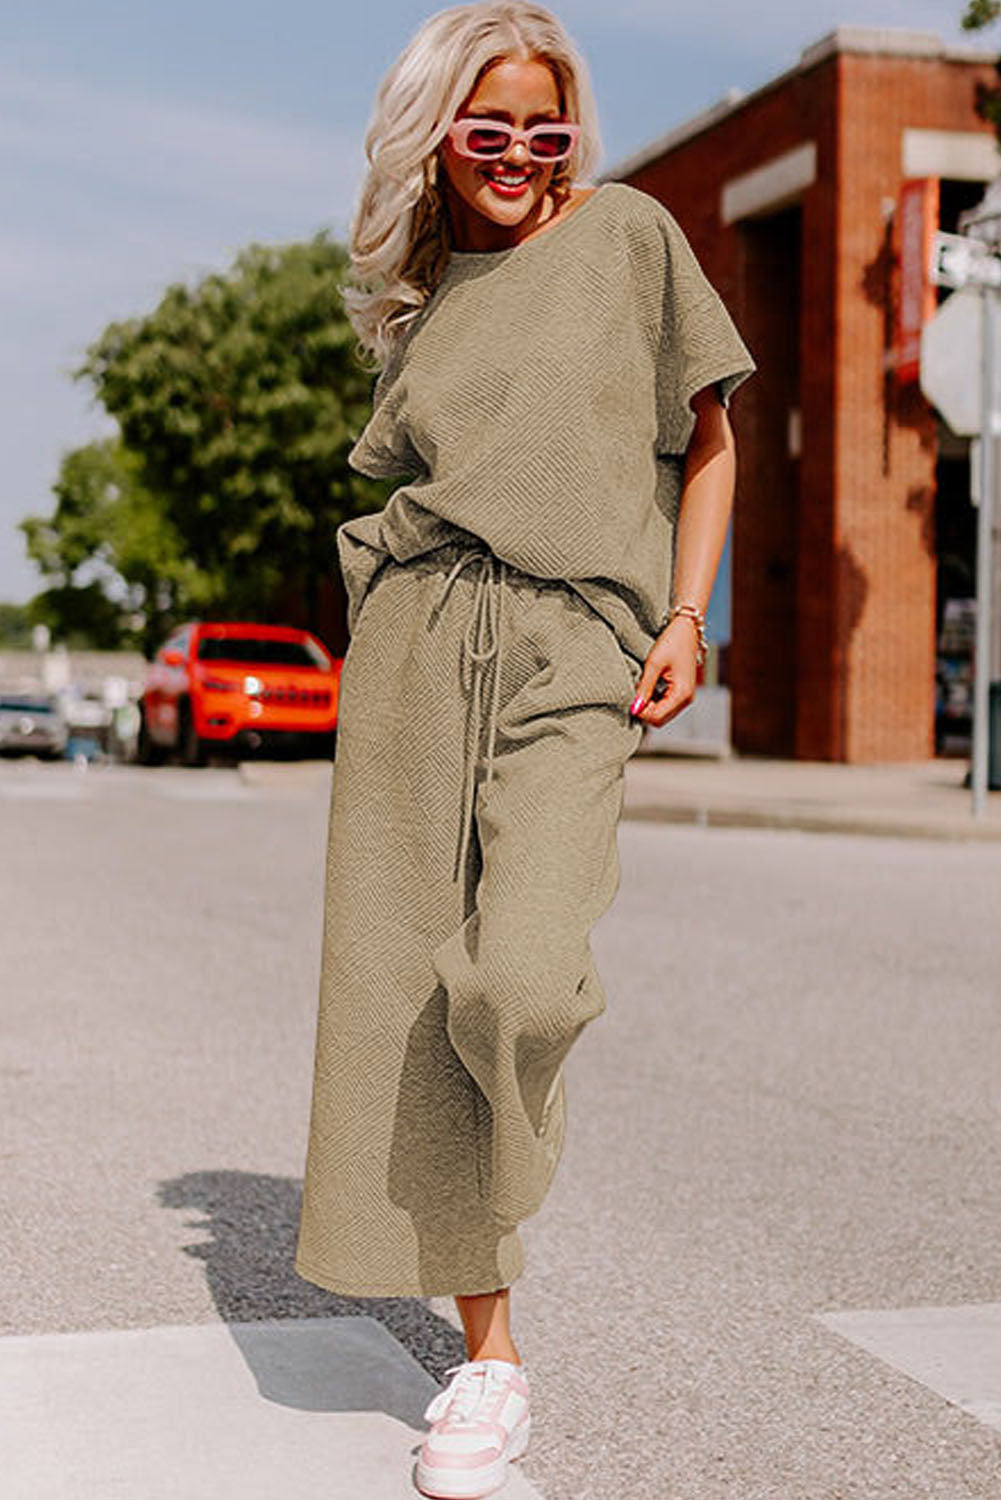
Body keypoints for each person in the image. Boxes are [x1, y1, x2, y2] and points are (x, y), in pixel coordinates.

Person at [295, 3, 756, 1495]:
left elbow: (711, 437)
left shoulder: (628, 237)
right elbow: (407, 483)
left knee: (516, 975)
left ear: (573, 139)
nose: (512, 156)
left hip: (580, 648)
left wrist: (684, 620)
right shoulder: (428, 302)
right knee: (399, 1003)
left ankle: (501, 1170)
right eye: (482, 131)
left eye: (540, 130)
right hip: (419, 650)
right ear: (438, 139)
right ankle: (489, 1361)